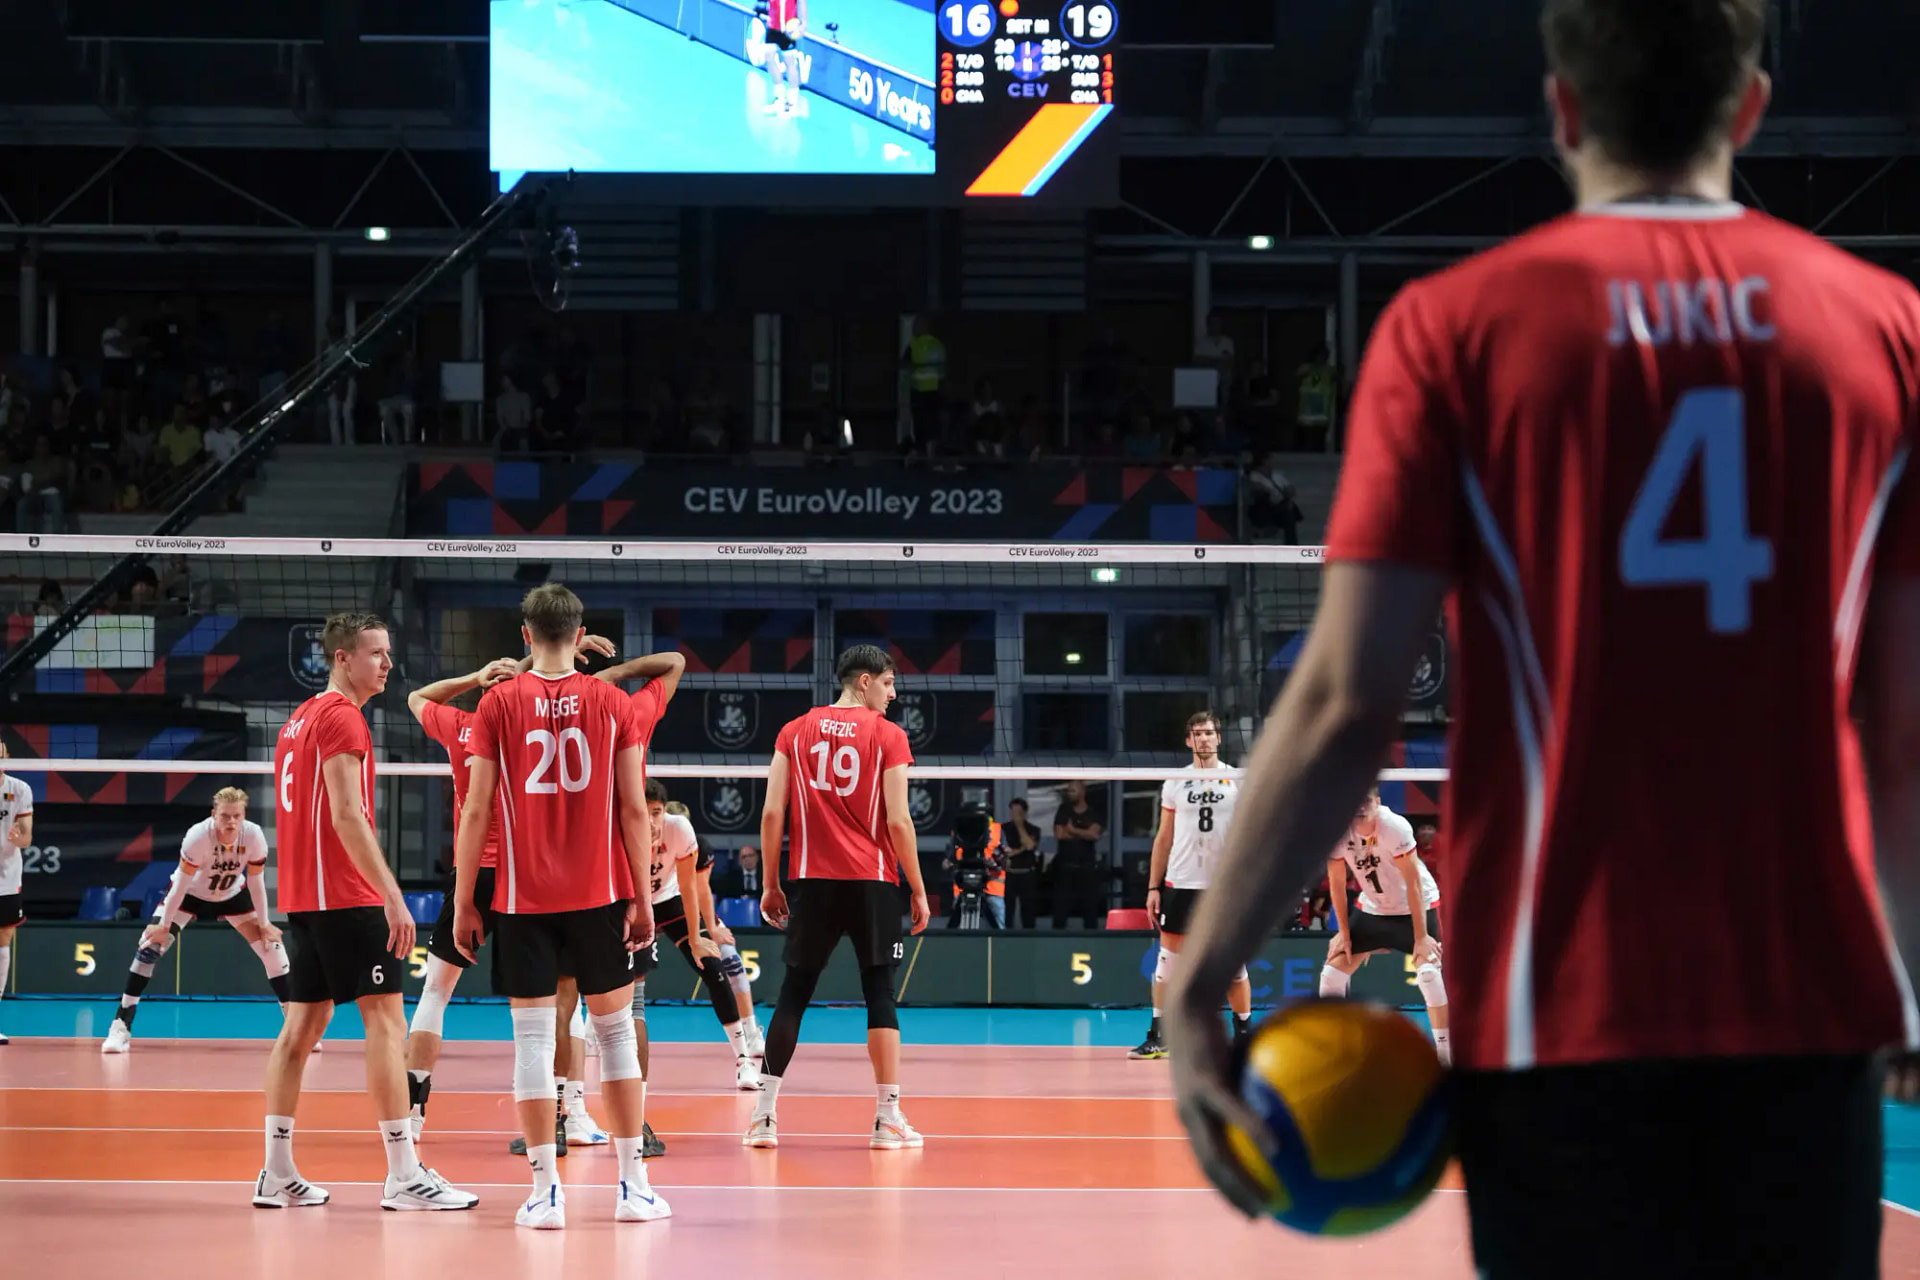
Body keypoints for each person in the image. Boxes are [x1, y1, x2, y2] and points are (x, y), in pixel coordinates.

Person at [1161, 1, 1920, 1275]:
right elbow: (1900, 730)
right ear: (1752, 108)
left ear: (1561, 113)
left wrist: (1202, 981)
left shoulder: (1459, 328)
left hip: (1556, 1008)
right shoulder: (1886, 327)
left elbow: (1349, 699)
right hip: (1803, 1004)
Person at [453, 583, 666, 1229]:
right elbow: (634, 809)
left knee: (531, 1043)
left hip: (520, 900)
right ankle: (633, 1187)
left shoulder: (497, 703)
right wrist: (640, 896)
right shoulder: (613, 703)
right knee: (615, 1037)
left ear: (525, 636)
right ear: (580, 636)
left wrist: (466, 900)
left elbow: (476, 810)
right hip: (600, 895)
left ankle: (545, 1193)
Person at [257, 612, 476, 1211]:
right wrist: (392, 894)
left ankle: (276, 1171)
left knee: (300, 1030)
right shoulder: (343, 718)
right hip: (347, 897)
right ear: (340, 658)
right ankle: (404, 1174)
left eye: (387, 652)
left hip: (303, 896)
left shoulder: (297, 720)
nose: (387, 663)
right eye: (375, 653)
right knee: (385, 1024)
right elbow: (347, 815)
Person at [747, 644, 933, 1150]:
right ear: (866, 680)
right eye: (890, 684)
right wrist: (917, 888)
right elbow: (898, 820)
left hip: (811, 879)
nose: (894, 695)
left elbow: (770, 815)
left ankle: (763, 1116)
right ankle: (887, 1118)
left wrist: (769, 883)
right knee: (880, 994)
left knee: (794, 992)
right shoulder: (889, 736)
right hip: (873, 881)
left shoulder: (794, 730)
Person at [102, 789, 291, 1053]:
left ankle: (295, 1027)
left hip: (232, 895)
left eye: (237, 816)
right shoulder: (198, 836)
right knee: (149, 949)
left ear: (244, 816)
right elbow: (180, 884)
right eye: (225, 816)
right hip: (190, 895)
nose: (231, 822)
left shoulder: (254, 835)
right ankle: (121, 1025)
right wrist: (163, 925)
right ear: (214, 815)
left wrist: (265, 921)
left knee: (271, 948)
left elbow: (256, 879)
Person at [1130, 712, 1248, 1060]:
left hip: (1222, 887)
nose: (1204, 739)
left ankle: (1243, 1035)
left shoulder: (1237, 779)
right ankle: (1160, 1035)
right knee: (1167, 963)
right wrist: (1153, 887)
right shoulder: (1175, 782)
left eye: (1209, 733)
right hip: (1180, 883)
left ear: (1219, 738)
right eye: (1197, 734)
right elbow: (1163, 837)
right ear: (1188, 741)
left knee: (1234, 966)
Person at [1321, 787, 1448, 1065]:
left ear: (1377, 802)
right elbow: (1337, 884)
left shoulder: (1394, 827)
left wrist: (1421, 937)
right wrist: (1343, 934)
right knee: (1331, 973)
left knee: (1428, 973)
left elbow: (1413, 882)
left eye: (1367, 800)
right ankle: (1335, 1048)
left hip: (1417, 905)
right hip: (1374, 907)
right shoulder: (1338, 831)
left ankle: (1444, 1052)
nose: (1361, 806)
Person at [640, 782, 755, 1086]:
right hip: (634, 904)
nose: (652, 821)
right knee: (621, 980)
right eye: (645, 812)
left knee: (714, 967)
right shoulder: (622, 827)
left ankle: (744, 1060)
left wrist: (696, 938)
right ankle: (593, 1035)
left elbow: (692, 887)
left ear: (665, 812)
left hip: (669, 900)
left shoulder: (679, 829)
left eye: (657, 812)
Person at [689, 811, 765, 1061]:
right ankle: (595, 1032)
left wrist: (712, 927)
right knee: (629, 966)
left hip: (693, 911)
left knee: (732, 961)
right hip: (660, 906)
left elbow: (703, 890)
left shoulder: (698, 849)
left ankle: (751, 1033)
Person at [0, 744, 33, 1045]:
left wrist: (17, 837)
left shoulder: (19, 789)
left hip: (6, 878)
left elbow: (27, 837)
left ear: (7, 757)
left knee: (3, 940)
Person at [1050, 781, 1107, 928]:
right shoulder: (1063, 810)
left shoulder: (1093, 812)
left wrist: (1073, 830)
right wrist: (1084, 833)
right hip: (1066, 868)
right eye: (1068, 791)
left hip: (1087, 869)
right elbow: (1060, 834)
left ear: (1082, 792)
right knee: (1060, 912)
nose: (1070, 794)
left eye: (1073, 791)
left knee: (1090, 911)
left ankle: (1092, 945)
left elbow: (1095, 835)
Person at [1001, 798, 1042, 929]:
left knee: (1028, 911)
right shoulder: (1004, 828)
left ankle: (1029, 939)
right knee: (1007, 911)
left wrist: (1019, 825)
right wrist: (1018, 850)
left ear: (1024, 813)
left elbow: (1030, 845)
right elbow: (1001, 849)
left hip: (1027, 874)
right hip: (1009, 874)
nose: (1014, 815)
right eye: (1012, 812)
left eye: (1018, 812)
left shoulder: (1033, 829)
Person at [763, 0, 807, 115]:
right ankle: (779, 98)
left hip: (789, 30)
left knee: (790, 63)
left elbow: (802, 2)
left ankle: (792, 102)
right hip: (773, 27)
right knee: (769, 57)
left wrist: (804, 23)